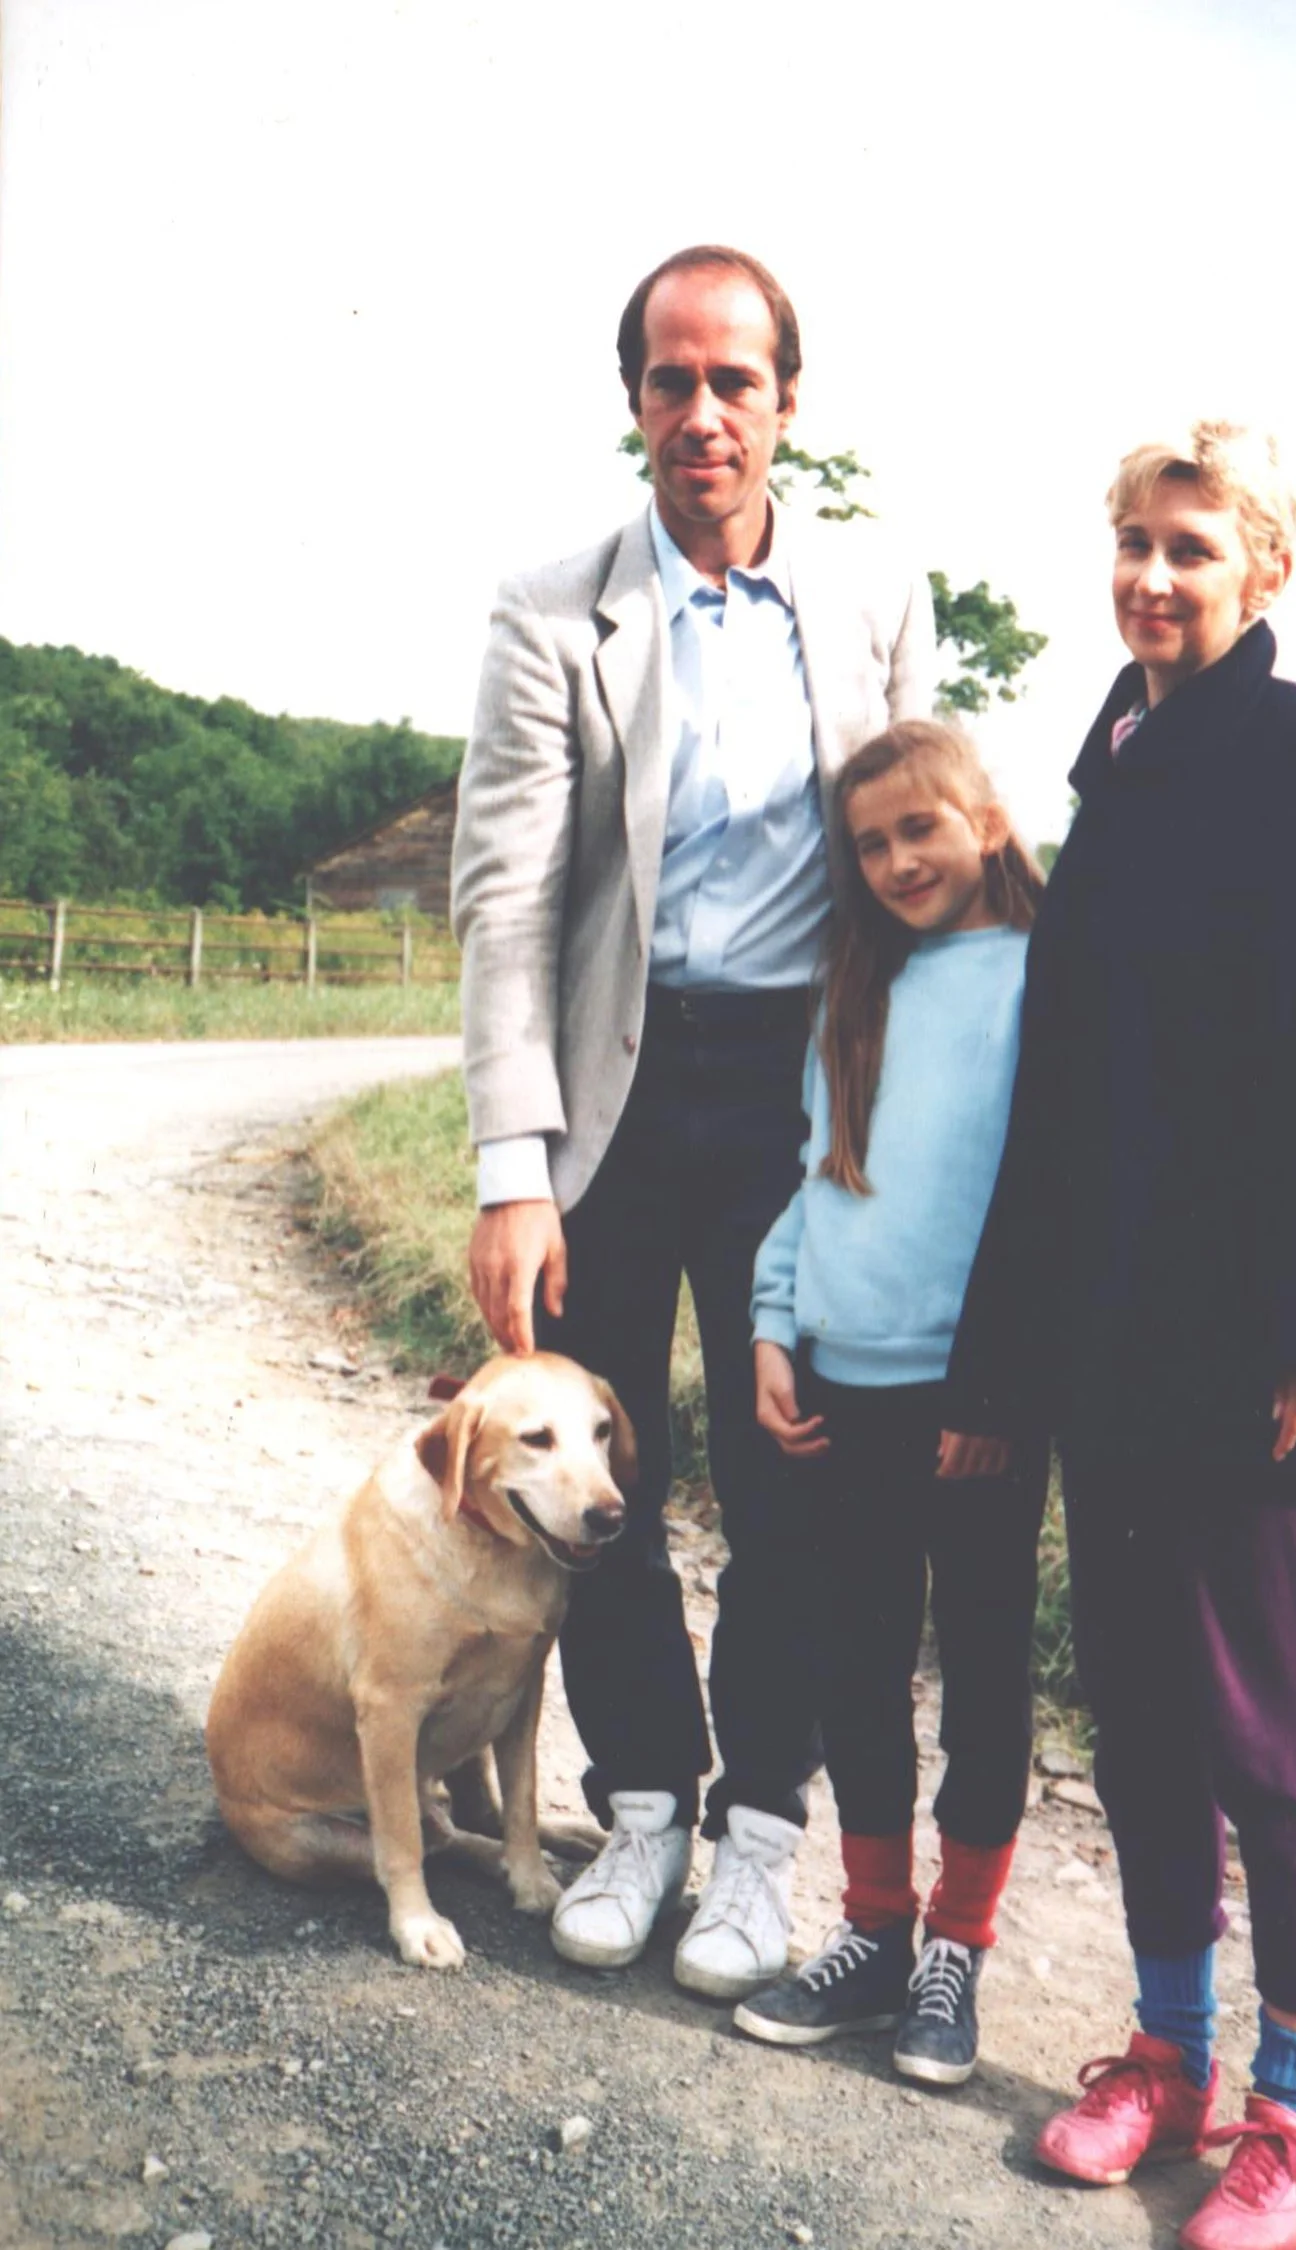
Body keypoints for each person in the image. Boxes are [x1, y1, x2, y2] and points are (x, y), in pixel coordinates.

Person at [944, 425, 1296, 2250]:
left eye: (1193, 548)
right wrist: (1004, 1368)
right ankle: (1169, 2050)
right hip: (1114, 1353)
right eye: (1134, 541)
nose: (1153, 575)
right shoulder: (1117, 771)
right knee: (1142, 1718)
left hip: (1266, 1360)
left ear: (1265, 575)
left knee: (1278, 1741)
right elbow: (1058, 1107)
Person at [450, 244, 937, 2001]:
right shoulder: (550, 606)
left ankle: (759, 1839)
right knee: (600, 1486)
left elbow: (917, 863)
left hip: (801, 1106)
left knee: (782, 1469)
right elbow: (506, 900)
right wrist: (514, 1168)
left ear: (787, 403)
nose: (704, 413)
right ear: (635, 403)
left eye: (737, 381)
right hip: (614, 1096)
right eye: (673, 380)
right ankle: (641, 1800)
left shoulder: (876, 596)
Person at [727, 719, 1048, 2088]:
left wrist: (1005, 1380)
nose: (900, 858)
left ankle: (956, 1950)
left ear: (985, 818)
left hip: (971, 1397)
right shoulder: (854, 991)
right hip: (841, 1384)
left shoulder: (1046, 977)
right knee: (854, 1658)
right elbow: (819, 1174)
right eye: (872, 843)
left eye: (923, 826)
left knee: (981, 1668)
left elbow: (1048, 1202)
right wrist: (769, 1321)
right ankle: (872, 1928)